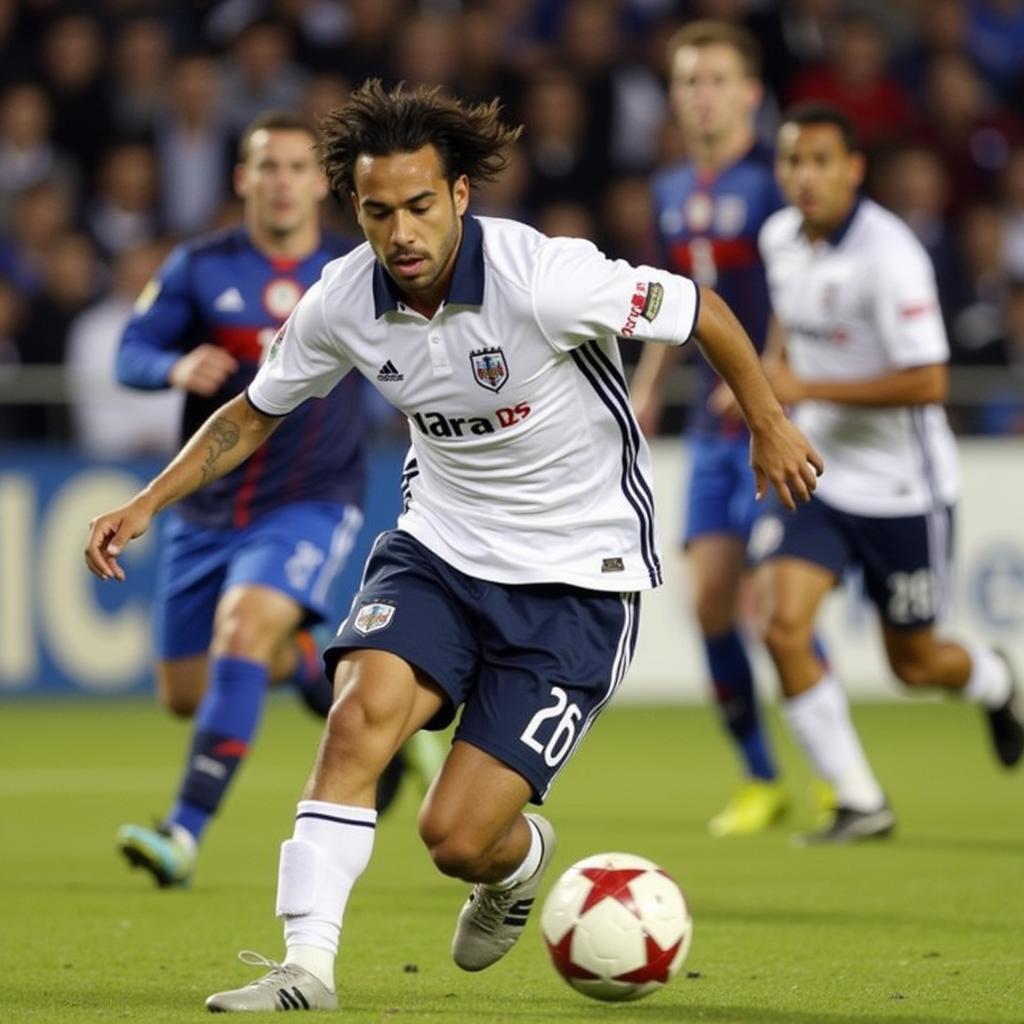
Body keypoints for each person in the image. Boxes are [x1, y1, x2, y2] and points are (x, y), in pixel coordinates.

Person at [85, 81, 822, 1012]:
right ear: (353, 207)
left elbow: (701, 310)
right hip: (439, 547)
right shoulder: (342, 299)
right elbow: (252, 412)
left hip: (577, 577)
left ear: (460, 197)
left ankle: (518, 868)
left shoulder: (544, 276)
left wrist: (769, 423)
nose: (401, 233)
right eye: (379, 210)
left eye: (421, 206)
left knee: (456, 837)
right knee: (357, 720)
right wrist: (148, 499)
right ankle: (305, 968)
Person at [111, 110, 419, 890]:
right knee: (188, 691)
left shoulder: (356, 271)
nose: (282, 181)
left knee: (243, 631)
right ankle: (331, 676)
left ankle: (182, 830)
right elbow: (130, 351)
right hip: (208, 507)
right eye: (266, 167)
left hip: (312, 497)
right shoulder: (198, 265)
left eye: (296, 167)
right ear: (243, 179)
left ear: (324, 183)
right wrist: (174, 370)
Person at [752, 102, 1023, 844]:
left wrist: (810, 388)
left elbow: (930, 381)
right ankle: (858, 799)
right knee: (781, 627)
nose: (804, 177)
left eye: (820, 162)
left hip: (907, 489)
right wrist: (770, 376)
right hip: (822, 475)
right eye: (792, 162)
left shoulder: (890, 254)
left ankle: (993, 681)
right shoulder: (780, 237)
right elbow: (787, 321)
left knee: (915, 662)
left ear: (853, 170)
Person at [630, 21, 790, 836]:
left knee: (774, 606)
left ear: (751, 94)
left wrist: (765, 378)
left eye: (718, 79)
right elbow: (668, 302)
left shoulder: (775, 182)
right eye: (689, 80)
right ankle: (762, 776)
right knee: (711, 603)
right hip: (714, 427)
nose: (703, 94)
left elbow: (803, 287)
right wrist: (648, 385)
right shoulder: (667, 190)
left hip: (781, 417)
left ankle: (839, 776)